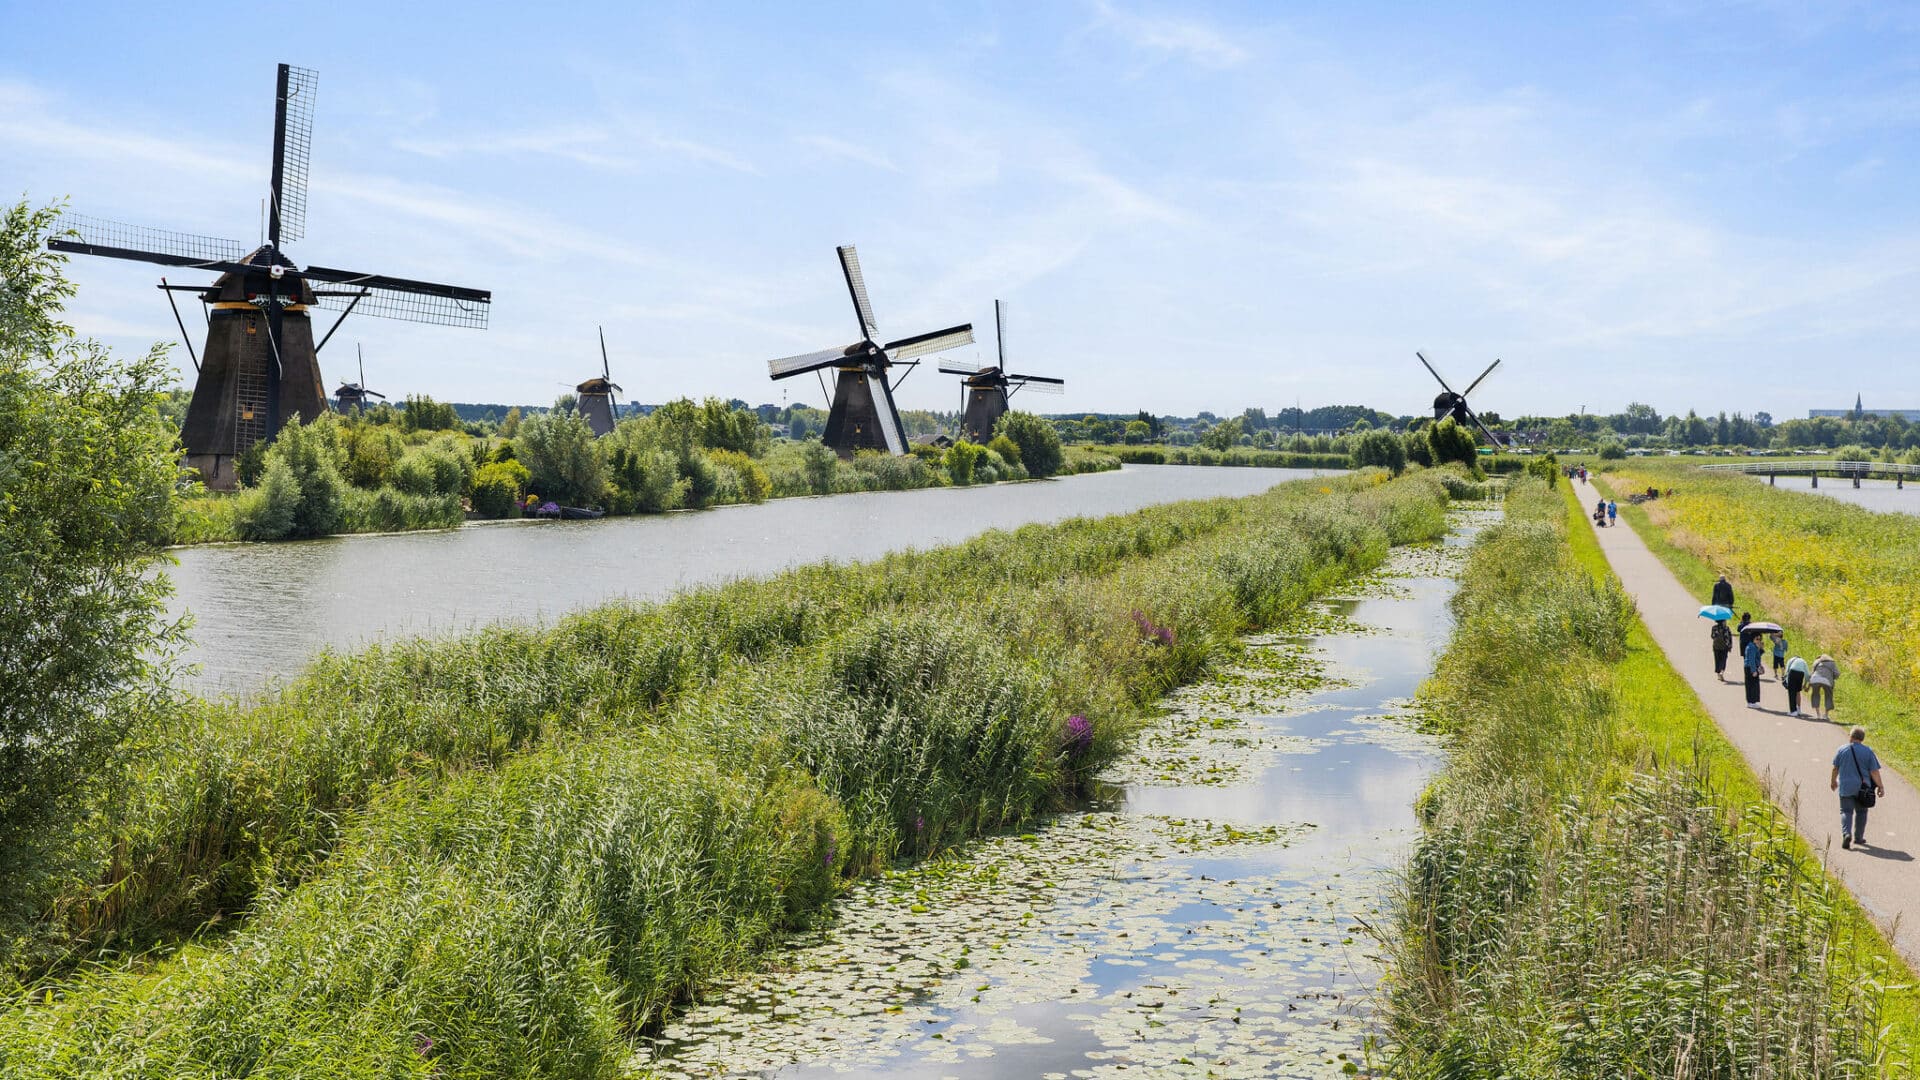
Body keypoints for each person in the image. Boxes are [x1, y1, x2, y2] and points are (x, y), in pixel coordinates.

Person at [1830, 726, 1884, 850]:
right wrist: (1880, 786)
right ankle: (1858, 837)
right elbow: (1874, 772)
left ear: (1851, 736)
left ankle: (1846, 833)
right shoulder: (1868, 751)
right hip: (1862, 788)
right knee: (1862, 812)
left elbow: (1835, 768)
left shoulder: (1842, 750)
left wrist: (1833, 781)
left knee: (1846, 811)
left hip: (1846, 786)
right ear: (1862, 739)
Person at [1810, 654, 1839, 719]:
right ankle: (1826, 715)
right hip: (1827, 680)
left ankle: (1818, 715)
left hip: (1815, 679)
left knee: (1815, 695)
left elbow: (1812, 672)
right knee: (1828, 696)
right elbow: (1837, 674)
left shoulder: (1816, 661)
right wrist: (1832, 677)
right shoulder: (1832, 663)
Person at [1743, 633, 1764, 709]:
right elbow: (1751, 660)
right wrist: (1753, 670)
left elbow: (1757, 656)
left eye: (1759, 639)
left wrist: (1760, 648)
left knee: (1754, 684)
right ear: (1753, 639)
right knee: (1751, 685)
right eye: (1757, 639)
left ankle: (1753, 701)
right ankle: (1751, 701)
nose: (1758, 640)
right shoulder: (1751, 647)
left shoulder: (1753, 646)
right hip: (1750, 667)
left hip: (1752, 666)